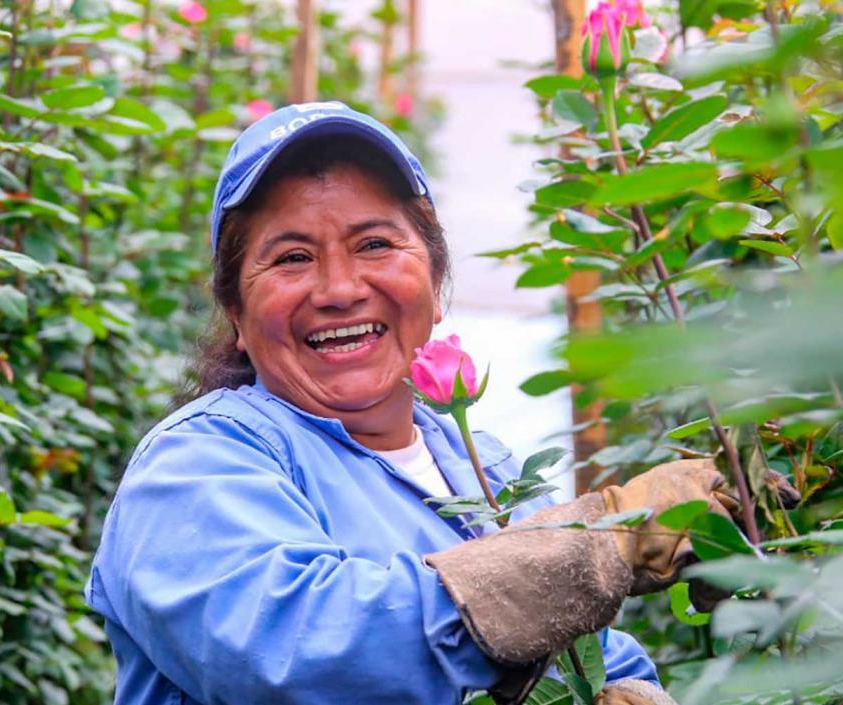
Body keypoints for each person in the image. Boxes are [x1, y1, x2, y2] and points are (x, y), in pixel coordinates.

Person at [85, 101, 738, 705]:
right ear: (235, 308)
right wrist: (601, 542)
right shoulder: (194, 466)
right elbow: (299, 652)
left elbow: (587, 650)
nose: (340, 288)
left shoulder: (492, 469)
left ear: (433, 276)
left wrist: (628, 683)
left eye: (374, 243)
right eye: (291, 256)